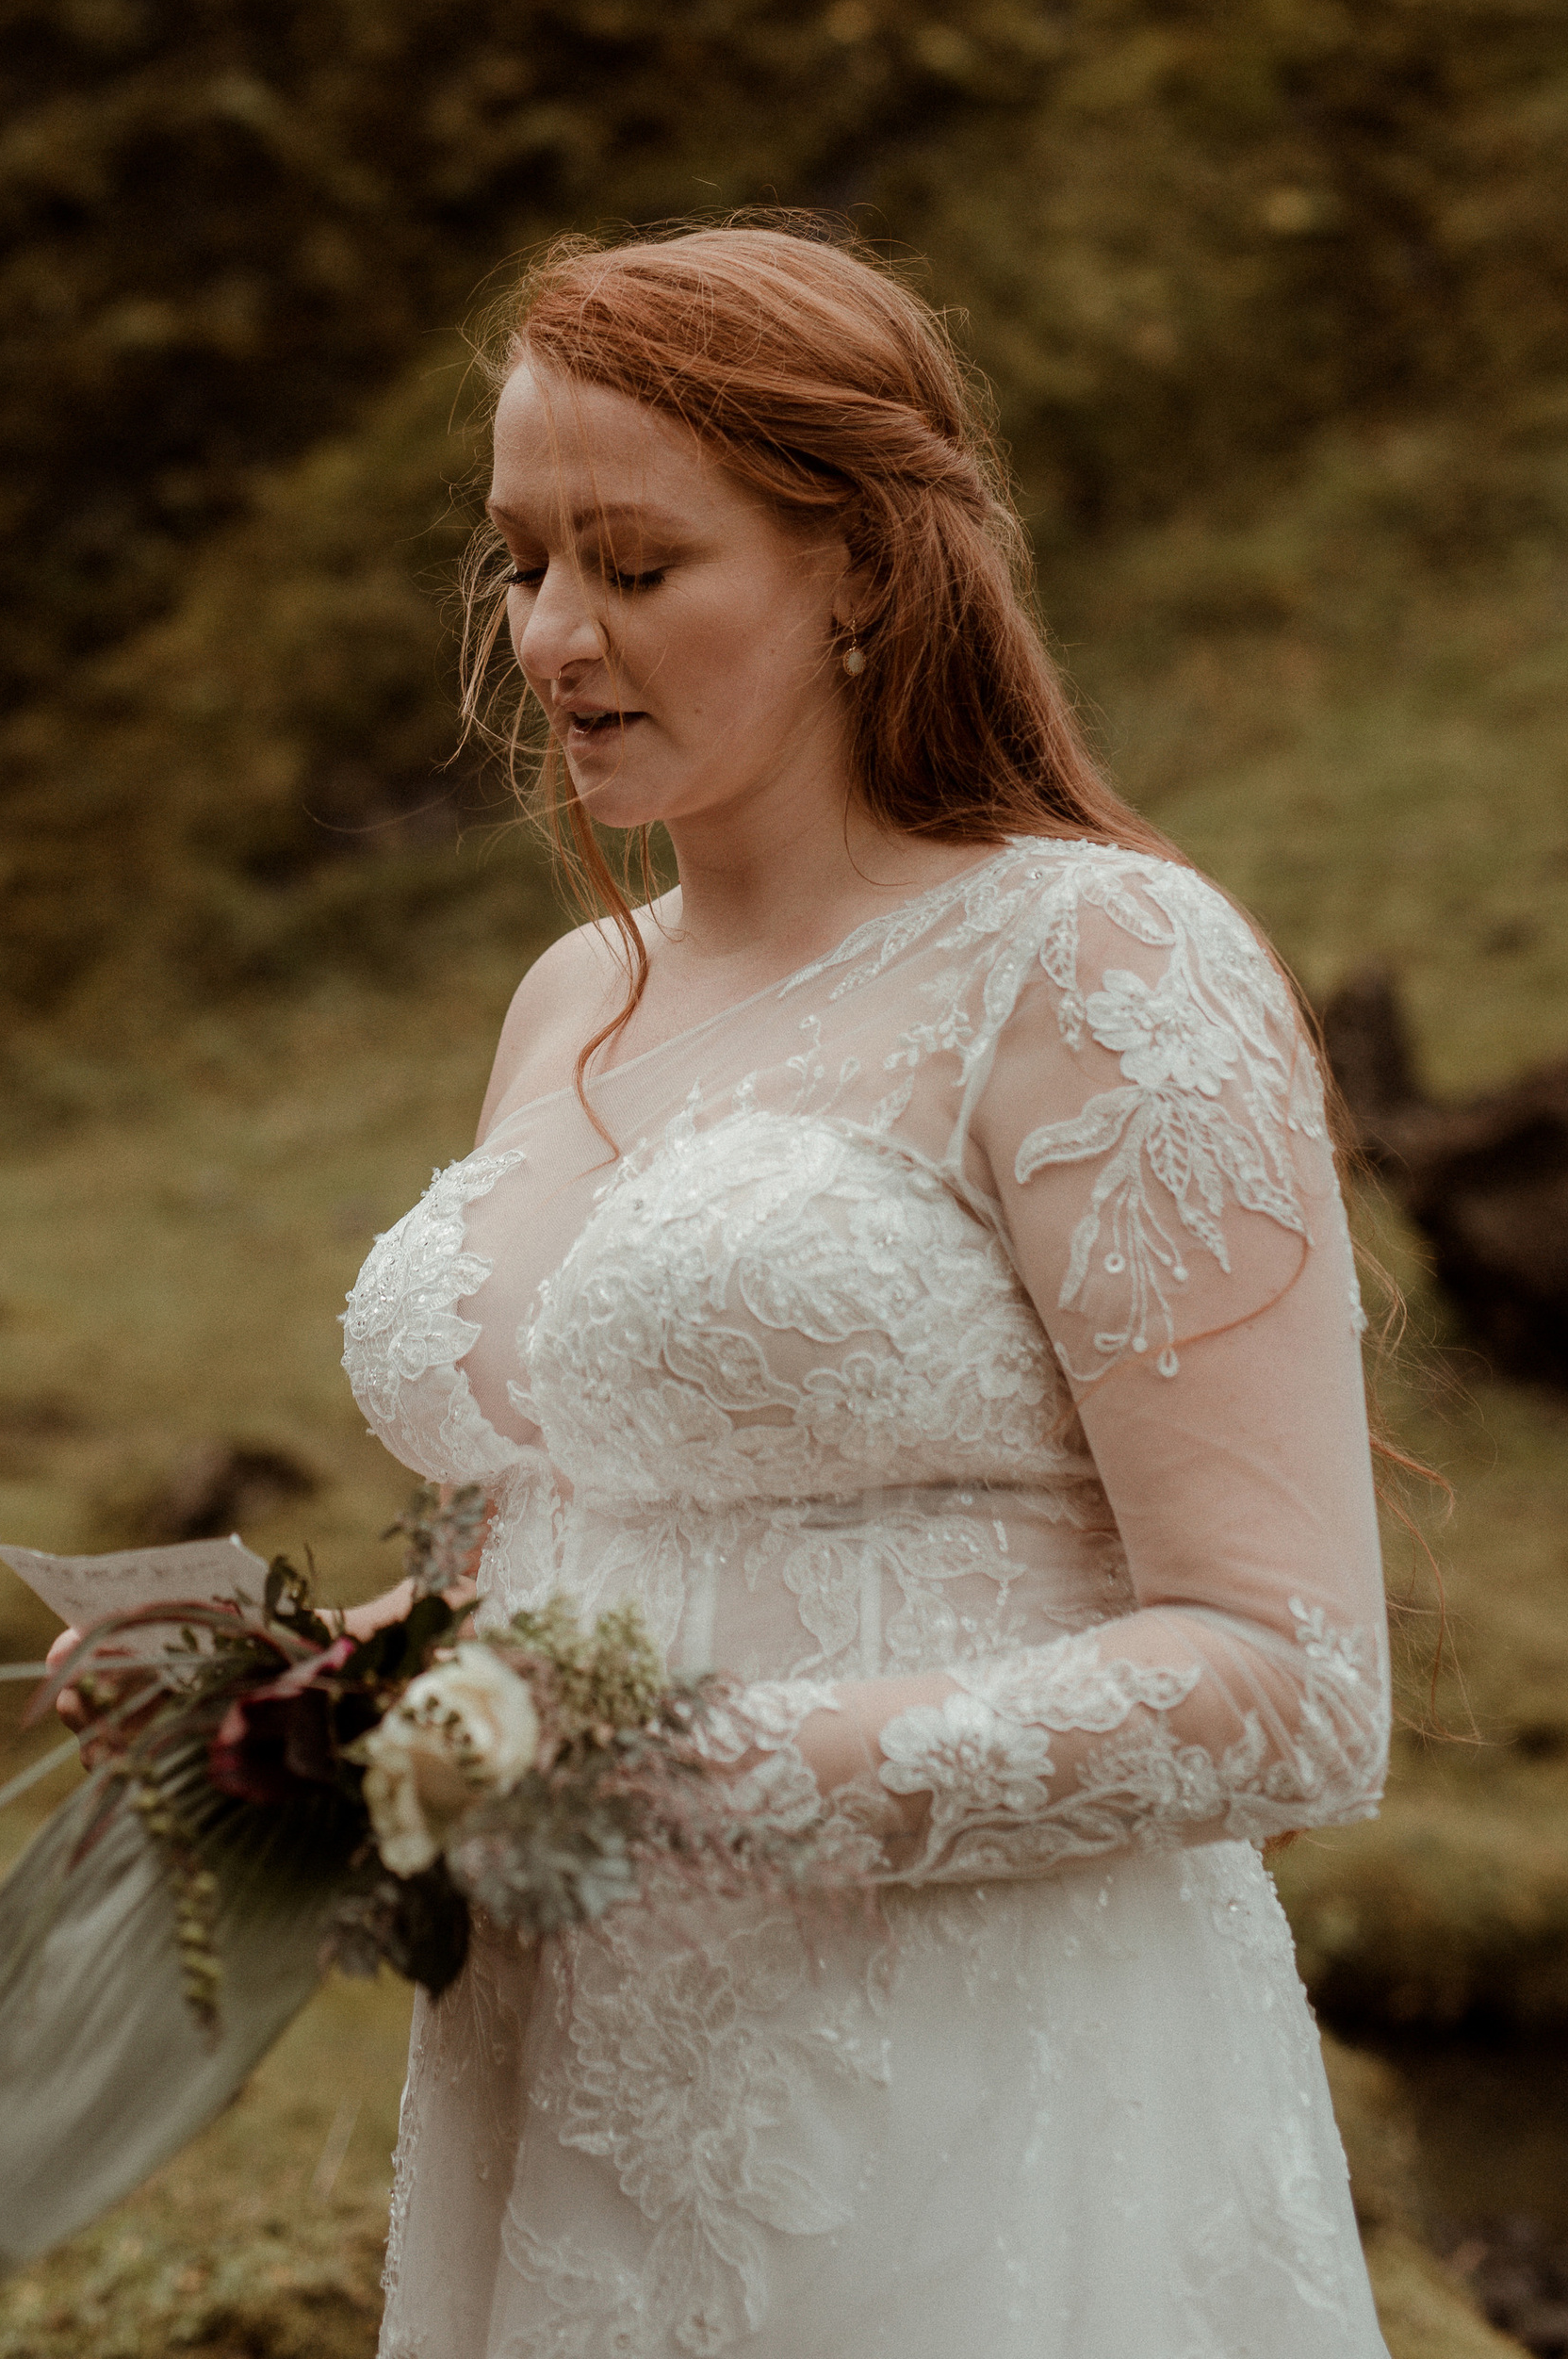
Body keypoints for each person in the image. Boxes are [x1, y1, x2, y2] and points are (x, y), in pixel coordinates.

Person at [335, 221, 1392, 2359]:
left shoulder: (1088, 962)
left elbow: (1290, 1680)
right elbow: (545, 1536)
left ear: (856, 567)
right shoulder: (566, 999)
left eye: (632, 565)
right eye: (516, 564)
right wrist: (317, 1703)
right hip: (557, 2112)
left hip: (967, 2122)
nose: (549, 634)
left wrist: (667, 1771)